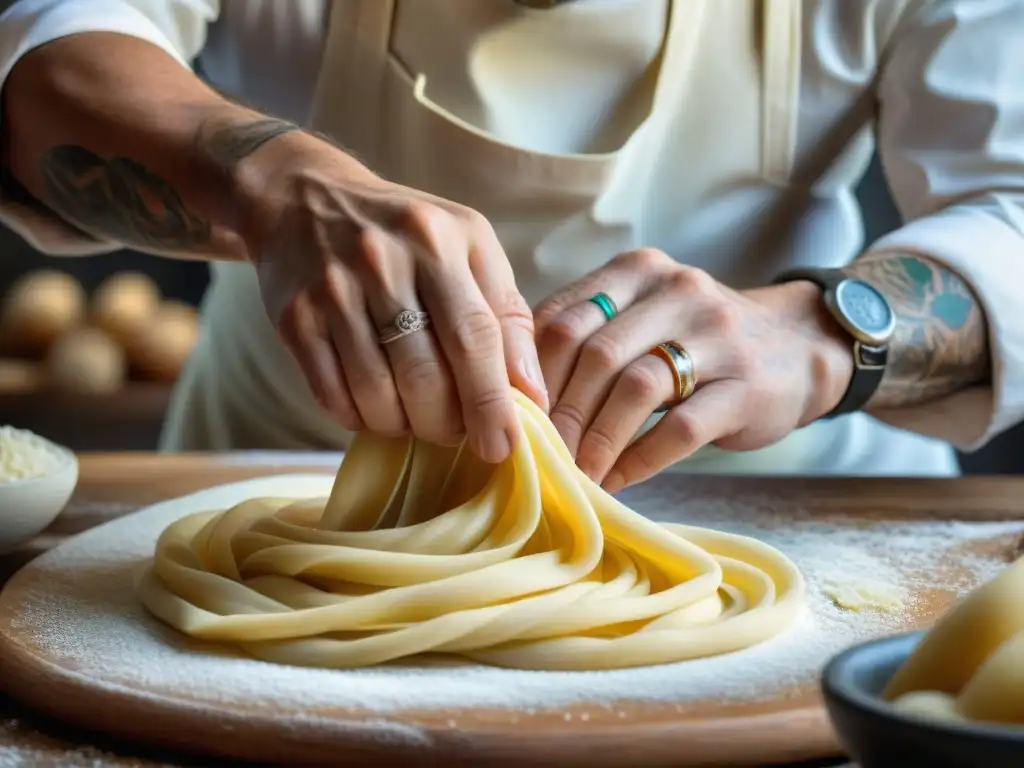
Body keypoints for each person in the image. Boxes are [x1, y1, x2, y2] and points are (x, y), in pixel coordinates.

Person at [1, 0, 1022, 489]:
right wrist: (267, 178)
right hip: (281, 503)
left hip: (786, 518)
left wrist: (821, 335)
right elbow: (53, 45)